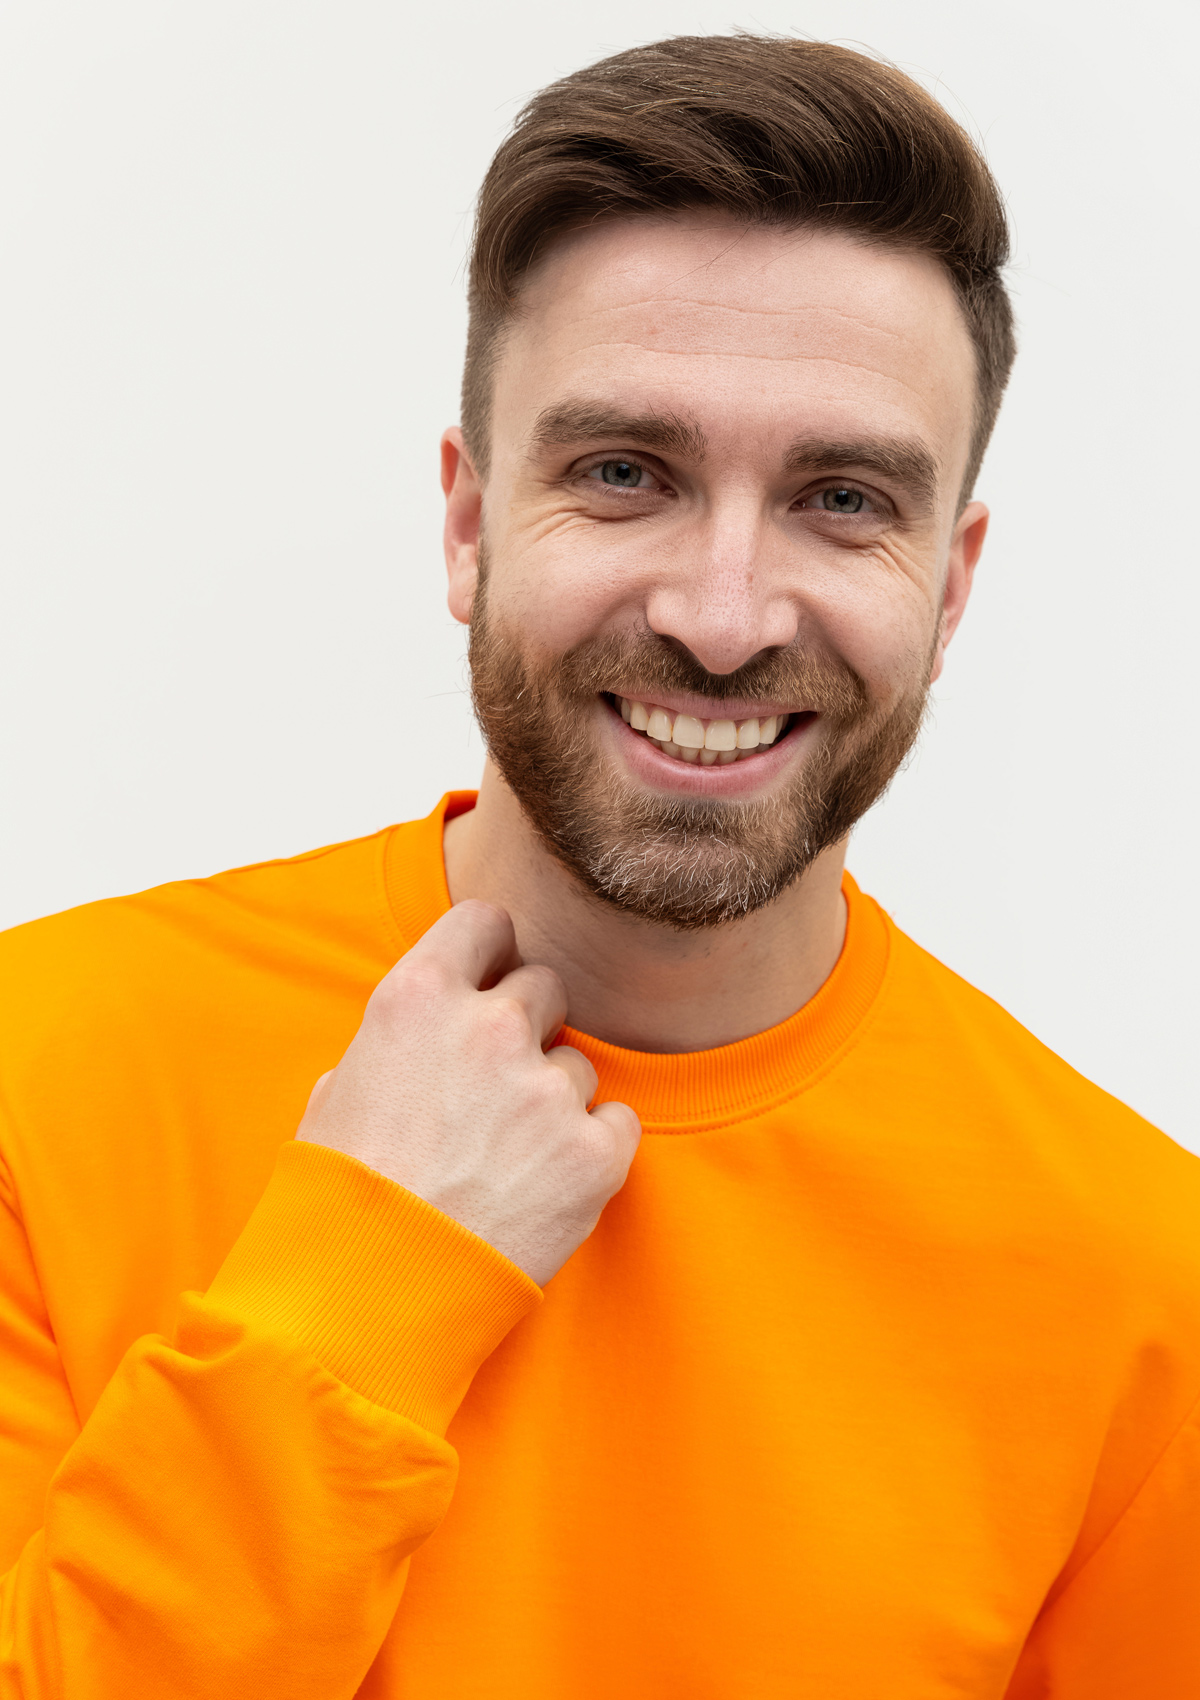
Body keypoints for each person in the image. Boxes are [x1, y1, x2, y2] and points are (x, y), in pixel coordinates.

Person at [0, 32, 1196, 1699]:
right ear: (469, 524)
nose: (723, 615)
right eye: (624, 474)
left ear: (951, 583)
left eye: (844, 499)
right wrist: (364, 1284)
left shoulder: (1143, 1285)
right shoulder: (37, 1078)